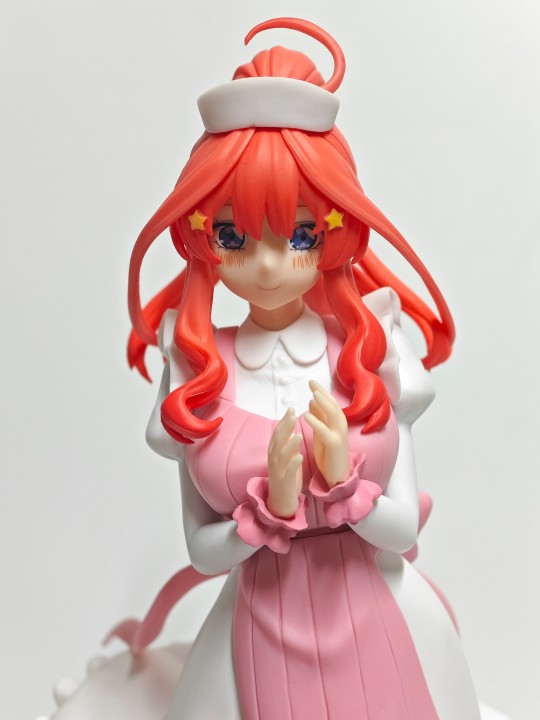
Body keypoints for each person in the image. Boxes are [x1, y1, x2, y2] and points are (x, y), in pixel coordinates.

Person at [121, 17, 483, 720]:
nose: (265, 265)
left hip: (380, 613)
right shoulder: (197, 367)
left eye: (299, 233)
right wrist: (268, 513)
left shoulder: (371, 347)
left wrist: (347, 486)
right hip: (256, 624)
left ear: (335, 232)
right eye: (233, 234)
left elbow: (403, 531)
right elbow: (202, 552)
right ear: (202, 236)